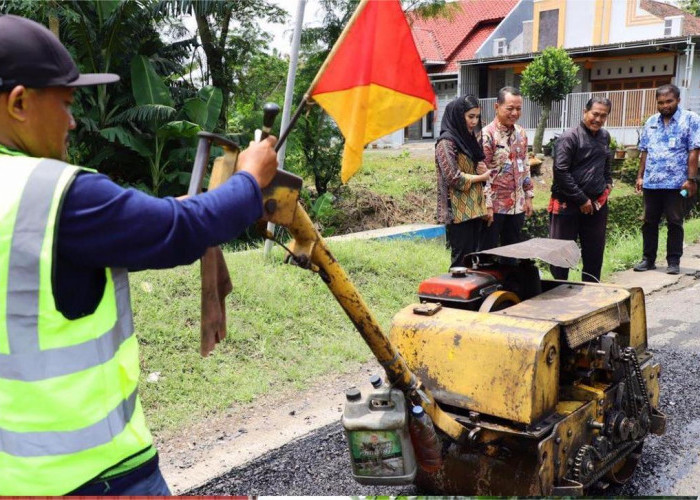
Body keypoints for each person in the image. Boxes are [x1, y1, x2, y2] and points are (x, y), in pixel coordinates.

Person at [0, 15, 279, 496]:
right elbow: (181, 231)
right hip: (93, 476)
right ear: (20, 102)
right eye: (65, 105)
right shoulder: (57, 196)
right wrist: (250, 180)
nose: (71, 121)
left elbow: (148, 220)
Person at [634, 84, 700, 275]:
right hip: (652, 183)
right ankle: (648, 259)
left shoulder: (691, 119)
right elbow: (644, 151)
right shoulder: (651, 121)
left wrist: (691, 179)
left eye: (669, 101)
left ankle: (673, 261)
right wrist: (640, 176)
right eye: (661, 102)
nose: (665, 106)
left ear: (678, 100)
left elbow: (694, 151)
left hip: (677, 184)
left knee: (674, 221)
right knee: (649, 221)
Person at [548, 96, 614, 282]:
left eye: (603, 116)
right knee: (561, 253)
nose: (598, 119)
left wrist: (608, 184)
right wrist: (581, 199)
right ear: (585, 112)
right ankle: (559, 292)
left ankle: (591, 292)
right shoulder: (569, 137)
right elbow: (560, 171)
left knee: (594, 251)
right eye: (595, 114)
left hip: (596, 205)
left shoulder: (604, 136)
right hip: (568, 204)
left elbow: (606, 163)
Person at [436, 95, 490, 268]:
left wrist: (479, 169)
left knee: (473, 260)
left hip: (474, 209)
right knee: (460, 261)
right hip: (457, 212)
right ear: (459, 116)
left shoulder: (469, 139)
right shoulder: (446, 142)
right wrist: (481, 177)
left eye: (477, 117)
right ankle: (454, 294)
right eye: (470, 116)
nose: (474, 121)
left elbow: (474, 165)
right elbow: (453, 177)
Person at [479, 86, 534, 251]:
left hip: (517, 206)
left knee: (513, 255)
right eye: (510, 108)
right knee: (487, 255)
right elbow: (482, 173)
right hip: (494, 207)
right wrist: (487, 204)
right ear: (497, 107)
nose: (515, 113)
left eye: (518, 109)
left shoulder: (521, 133)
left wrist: (528, 195)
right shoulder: (486, 135)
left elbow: (525, 165)